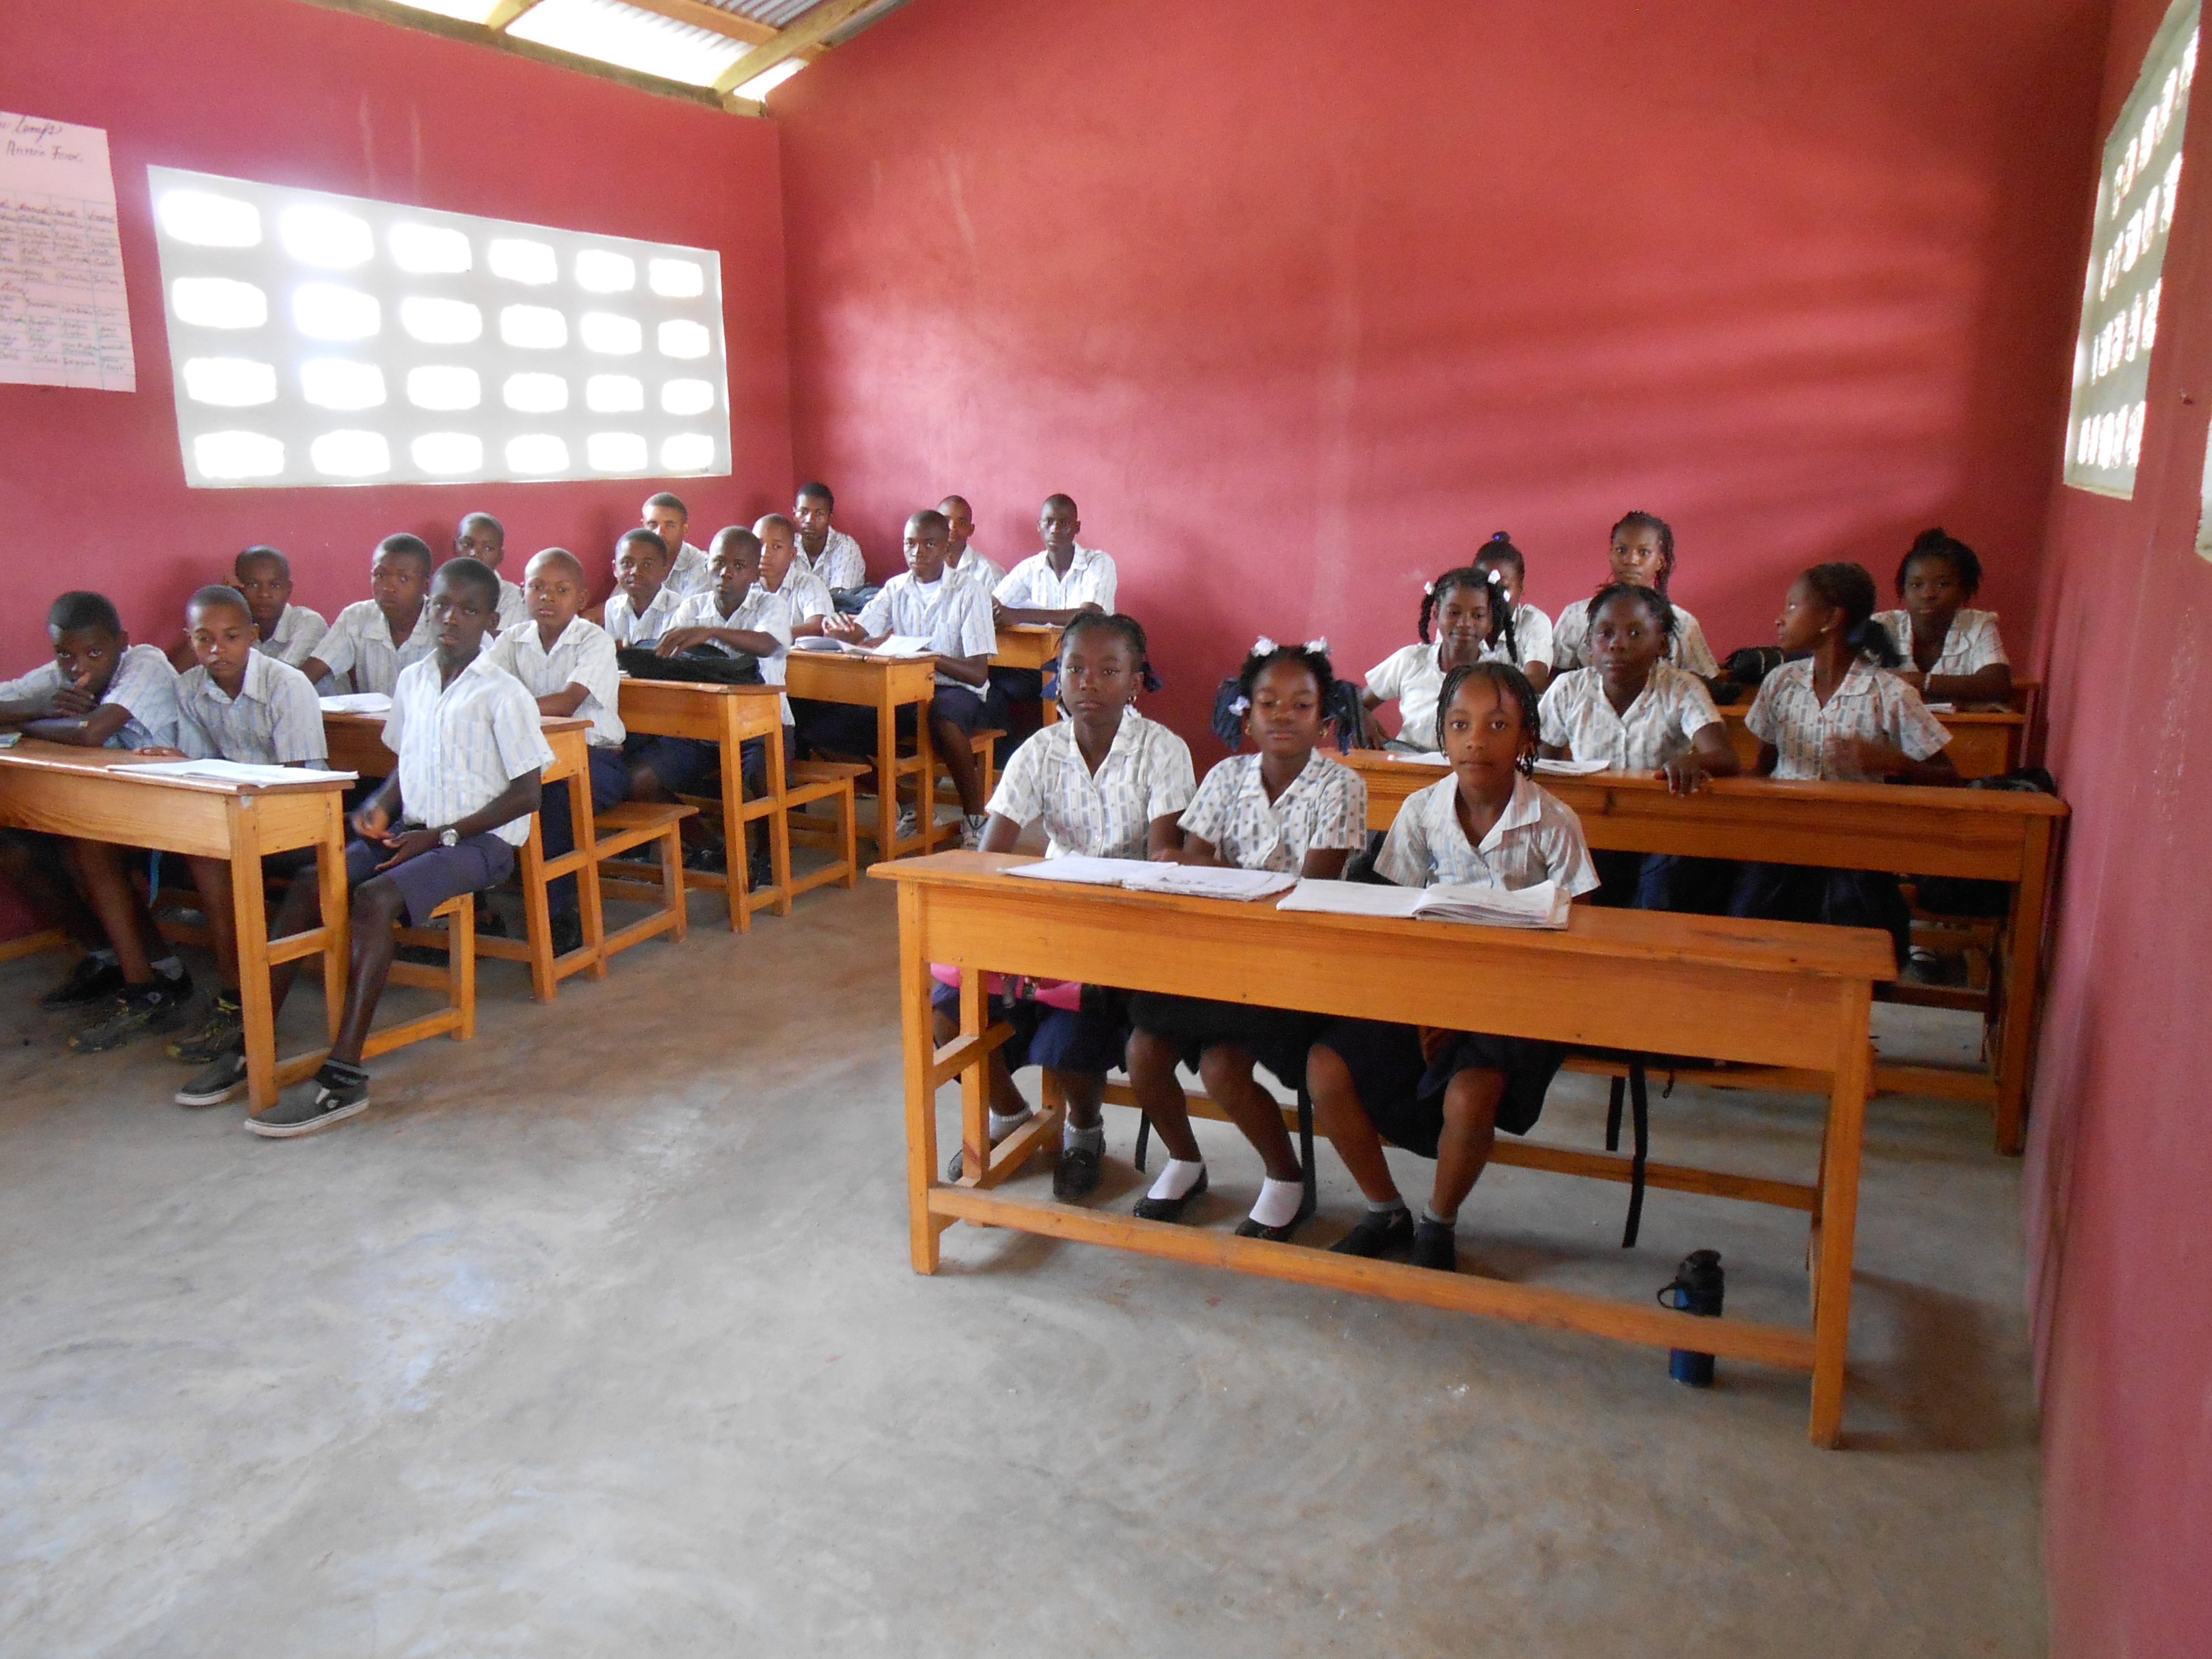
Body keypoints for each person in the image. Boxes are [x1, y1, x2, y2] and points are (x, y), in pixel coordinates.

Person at [246, 558, 553, 1138]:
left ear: (491, 620)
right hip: (416, 828)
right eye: (442, 605)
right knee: (314, 881)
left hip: (478, 843)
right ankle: (250, 1039)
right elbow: (407, 762)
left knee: (375, 899)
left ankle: (344, 1074)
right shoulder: (414, 679)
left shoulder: (504, 692)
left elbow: (528, 794)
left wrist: (442, 835)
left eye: (468, 609)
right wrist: (380, 806)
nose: (451, 619)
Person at [1308, 662, 1600, 1270]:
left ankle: (1438, 1223)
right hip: (1428, 986)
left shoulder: (1553, 822)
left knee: (1470, 1095)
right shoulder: (1421, 810)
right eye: (1460, 725)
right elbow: (1392, 909)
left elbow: (1585, 933)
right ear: (1441, 736)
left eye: (1498, 725)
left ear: (1526, 738)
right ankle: (1384, 1208)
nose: (1476, 741)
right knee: (1326, 1066)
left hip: (1518, 998)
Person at [1123, 638, 1368, 1240]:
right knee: (1143, 1051)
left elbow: (1309, 889)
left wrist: (1211, 869)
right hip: (1216, 952)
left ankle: (1285, 1176)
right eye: (1268, 703)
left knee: (1221, 1066)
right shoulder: (1225, 776)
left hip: (1295, 960)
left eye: (1301, 704)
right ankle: (1186, 1160)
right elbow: (1190, 873)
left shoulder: (1341, 786)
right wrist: (1206, 869)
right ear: (1247, 714)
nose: (1283, 715)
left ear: (1325, 718)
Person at [950, 613, 1195, 1197]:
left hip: (1126, 922)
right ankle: (1010, 1115)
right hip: (1051, 914)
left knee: (1071, 1028)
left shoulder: (1162, 750)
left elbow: (1164, 856)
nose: (1089, 682)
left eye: (1109, 671)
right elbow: (990, 856)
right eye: (1075, 668)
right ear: (1057, 677)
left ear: (1136, 683)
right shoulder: (1040, 750)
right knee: (948, 1010)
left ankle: (1084, 1131)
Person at [124, 586, 330, 1101]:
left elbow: (298, 783)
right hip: (236, 813)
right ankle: (236, 996)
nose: (217, 649)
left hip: (301, 818)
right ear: (190, 640)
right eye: (204, 639)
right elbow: (201, 764)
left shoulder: (287, 686)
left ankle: (241, 1001)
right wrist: (179, 761)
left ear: (253, 637)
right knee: (199, 849)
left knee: (210, 856)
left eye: (231, 637)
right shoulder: (190, 688)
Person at [1727, 562, 1959, 964]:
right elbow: (1763, 768)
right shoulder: (1780, 682)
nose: (1780, 619)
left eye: (1793, 606)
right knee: (1751, 928)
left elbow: (1950, 778)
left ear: (1832, 618)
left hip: (1856, 844)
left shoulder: (1888, 693)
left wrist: (1893, 761)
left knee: (1851, 932)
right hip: (1783, 839)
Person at [0, 591, 190, 1037]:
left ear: (121, 642)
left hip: (176, 808)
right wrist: (41, 707)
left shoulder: (144, 663)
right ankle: (110, 958)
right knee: (13, 845)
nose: (77, 666)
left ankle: (153, 979)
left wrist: (24, 720)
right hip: (104, 808)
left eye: (94, 653)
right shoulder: (60, 676)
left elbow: (92, 731)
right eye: (65, 654)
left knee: (83, 843)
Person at [1537, 583, 1738, 908]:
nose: (1617, 645)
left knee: (1660, 891)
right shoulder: (1568, 689)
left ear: (1661, 643)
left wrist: (1694, 762)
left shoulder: (1681, 688)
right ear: (1589, 642)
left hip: (1661, 828)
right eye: (1605, 633)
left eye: (1635, 634)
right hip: (1589, 828)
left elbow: (1726, 757)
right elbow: (1544, 765)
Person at [820, 510, 998, 844]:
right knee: (825, 730)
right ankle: (909, 804)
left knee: (943, 719)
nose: (918, 552)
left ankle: (975, 817)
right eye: (910, 544)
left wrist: (928, 657)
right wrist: (839, 631)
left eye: (929, 544)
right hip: (903, 691)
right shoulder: (896, 588)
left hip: (955, 690)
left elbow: (977, 674)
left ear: (947, 548)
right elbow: (860, 631)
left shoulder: (970, 591)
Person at [484, 548, 625, 959]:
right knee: (478, 787)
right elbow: (483, 692)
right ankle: (476, 906)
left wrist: (507, 710)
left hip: (596, 761)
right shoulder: (511, 640)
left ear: (581, 599)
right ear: (523, 592)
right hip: (533, 758)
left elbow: (567, 702)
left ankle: (559, 914)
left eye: (561, 590)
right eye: (537, 587)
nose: (547, 597)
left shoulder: (594, 641)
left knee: (553, 800)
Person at [656, 527, 788, 890]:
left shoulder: (770, 605)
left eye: (739, 566)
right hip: (702, 727)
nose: (726, 573)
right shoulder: (692, 607)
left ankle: (769, 855)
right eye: (718, 563)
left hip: (764, 726)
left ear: (754, 572)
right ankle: (709, 845)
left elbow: (767, 644)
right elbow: (669, 655)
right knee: (640, 779)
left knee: (760, 778)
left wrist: (712, 632)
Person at [1359, 563, 1521, 750]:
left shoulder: (1497, 677)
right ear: (1436, 615)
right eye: (1454, 613)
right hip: (1408, 762)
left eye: (1478, 616)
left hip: (1466, 765)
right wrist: (1364, 717)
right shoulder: (1411, 661)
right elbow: (1357, 705)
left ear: (1491, 623)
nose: (1465, 623)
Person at [1551, 512, 1721, 678]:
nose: (1631, 560)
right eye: (1621, 550)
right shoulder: (1576, 616)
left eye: (1644, 552)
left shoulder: (1683, 623)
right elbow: (1555, 679)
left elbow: (1704, 682)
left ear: (1660, 562)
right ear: (1611, 555)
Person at [1873, 527, 2012, 705]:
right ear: (1903, 591)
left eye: (1943, 584)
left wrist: (1922, 682)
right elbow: (1855, 685)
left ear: (1965, 590)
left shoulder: (1978, 625)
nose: (1928, 595)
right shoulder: (1882, 627)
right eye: (1916, 585)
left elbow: (1997, 685)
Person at [301, 533, 437, 695]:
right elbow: (310, 675)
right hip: (373, 713)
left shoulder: (442, 623)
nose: (388, 588)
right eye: (380, 575)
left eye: (404, 578)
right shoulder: (357, 616)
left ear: (426, 585)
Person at [1471, 532, 1555, 692]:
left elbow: (1535, 681)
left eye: (1503, 588)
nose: (1494, 597)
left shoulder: (1534, 622)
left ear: (1521, 587)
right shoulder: (1461, 622)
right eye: (1486, 588)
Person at [233, 546, 328, 673]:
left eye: (275, 586)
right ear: (239, 590)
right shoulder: (238, 629)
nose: (264, 594)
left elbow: (281, 677)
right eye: (253, 585)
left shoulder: (308, 622)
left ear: (289, 589)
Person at [754, 512, 838, 638]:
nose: (764, 553)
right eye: (759, 545)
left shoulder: (809, 584)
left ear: (792, 555)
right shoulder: (743, 585)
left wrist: (767, 639)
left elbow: (818, 627)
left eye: (776, 547)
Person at [601, 529, 684, 649]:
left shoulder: (679, 610)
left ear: (665, 571)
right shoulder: (613, 607)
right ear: (615, 569)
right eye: (627, 563)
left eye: (647, 565)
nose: (635, 571)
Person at [792, 482, 870, 609]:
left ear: (830, 517)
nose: (810, 520)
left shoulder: (846, 548)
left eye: (819, 514)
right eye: (804, 512)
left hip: (836, 617)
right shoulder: (786, 546)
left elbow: (840, 599)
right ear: (794, 513)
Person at [454, 511, 529, 630]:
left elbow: (502, 640)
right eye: (467, 544)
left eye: (488, 548)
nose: (475, 554)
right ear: (455, 546)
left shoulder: (513, 599)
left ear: (500, 556)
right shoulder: (440, 589)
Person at [644, 492, 713, 600]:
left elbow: (691, 610)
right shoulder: (635, 562)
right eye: (653, 525)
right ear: (643, 526)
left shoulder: (701, 567)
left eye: (670, 526)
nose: (659, 533)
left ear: (685, 529)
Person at [937, 494, 1005, 589]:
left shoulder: (989, 574)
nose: (952, 527)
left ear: (971, 530)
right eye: (947, 520)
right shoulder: (923, 566)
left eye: (961, 522)